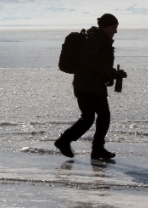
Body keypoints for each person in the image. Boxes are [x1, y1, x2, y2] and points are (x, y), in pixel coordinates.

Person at [54, 13, 127, 160]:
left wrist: (112, 74)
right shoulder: (94, 39)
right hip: (87, 86)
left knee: (92, 118)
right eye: (114, 27)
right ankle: (86, 147)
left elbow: (98, 64)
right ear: (106, 26)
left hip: (92, 85)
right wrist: (108, 72)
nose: (116, 31)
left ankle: (87, 147)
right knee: (98, 117)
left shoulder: (102, 39)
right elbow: (87, 61)